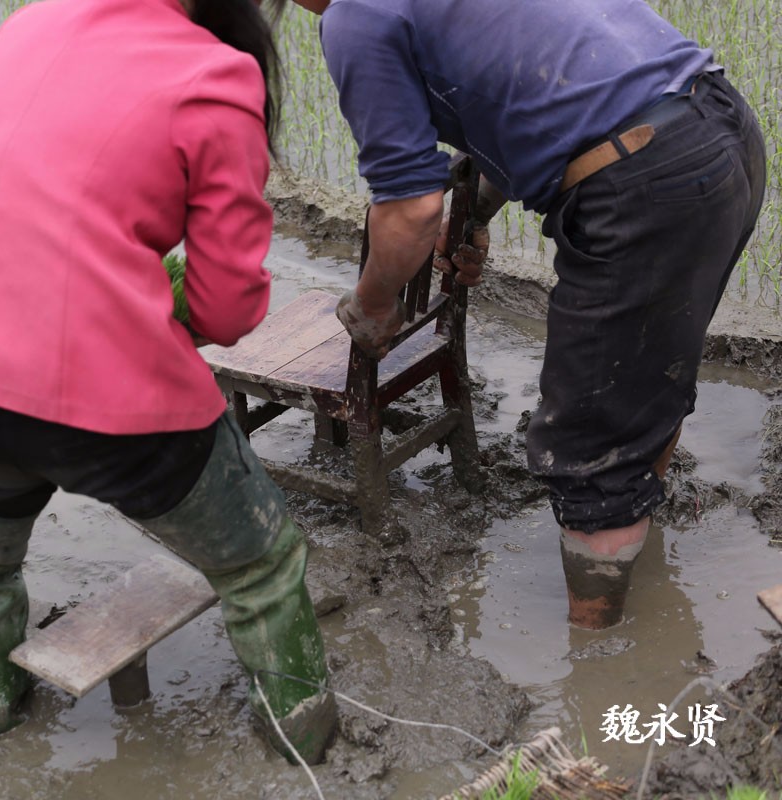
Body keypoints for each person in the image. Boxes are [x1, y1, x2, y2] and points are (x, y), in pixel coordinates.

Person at [0, 0, 338, 764]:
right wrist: (162, 304)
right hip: (115, 405)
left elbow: (29, 177)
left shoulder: (30, 23)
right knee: (259, 565)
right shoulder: (217, 77)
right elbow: (230, 306)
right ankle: (308, 742)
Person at [290, 0, 766, 629]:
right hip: (719, 128)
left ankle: (599, 663)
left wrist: (371, 307)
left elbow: (409, 212)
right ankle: (636, 563)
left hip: (646, 180)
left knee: (589, 448)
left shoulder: (356, 16)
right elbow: (539, 89)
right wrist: (480, 213)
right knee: (650, 372)